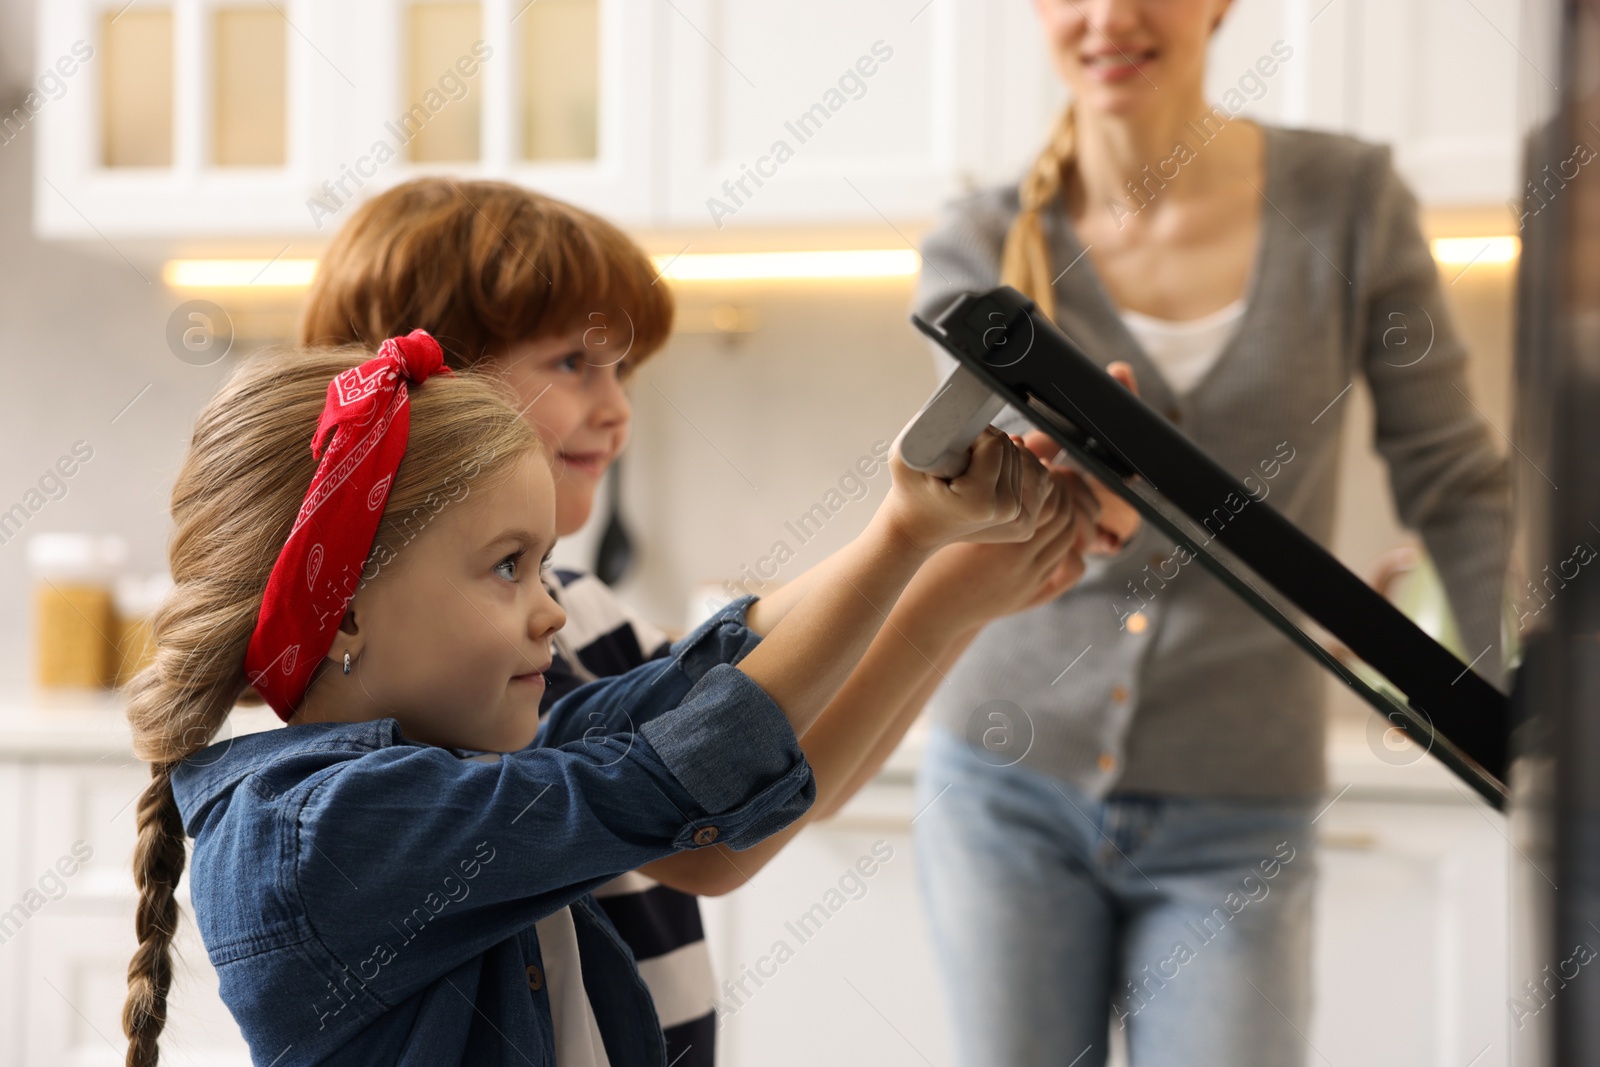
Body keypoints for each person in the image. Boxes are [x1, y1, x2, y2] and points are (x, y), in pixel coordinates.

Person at [297, 177, 1117, 1062]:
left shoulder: (582, 610)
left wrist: (965, 588)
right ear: (431, 379)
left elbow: (790, 772)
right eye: (573, 362)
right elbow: (709, 838)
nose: (616, 410)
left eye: (625, 371)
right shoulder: (462, 662)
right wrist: (931, 566)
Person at [118, 331, 1063, 1066]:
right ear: (347, 613)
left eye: (543, 566)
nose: (552, 610)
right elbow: (661, 775)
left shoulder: (442, 769)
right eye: (507, 568)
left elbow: (671, 699)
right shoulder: (329, 831)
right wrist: (901, 539)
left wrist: (917, 531)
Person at [909, 1, 1512, 1064]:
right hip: (1008, 784)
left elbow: (1453, 475)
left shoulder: (1349, 203)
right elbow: (985, 498)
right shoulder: (977, 240)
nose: (1109, 18)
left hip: (1240, 800)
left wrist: (1518, 708)